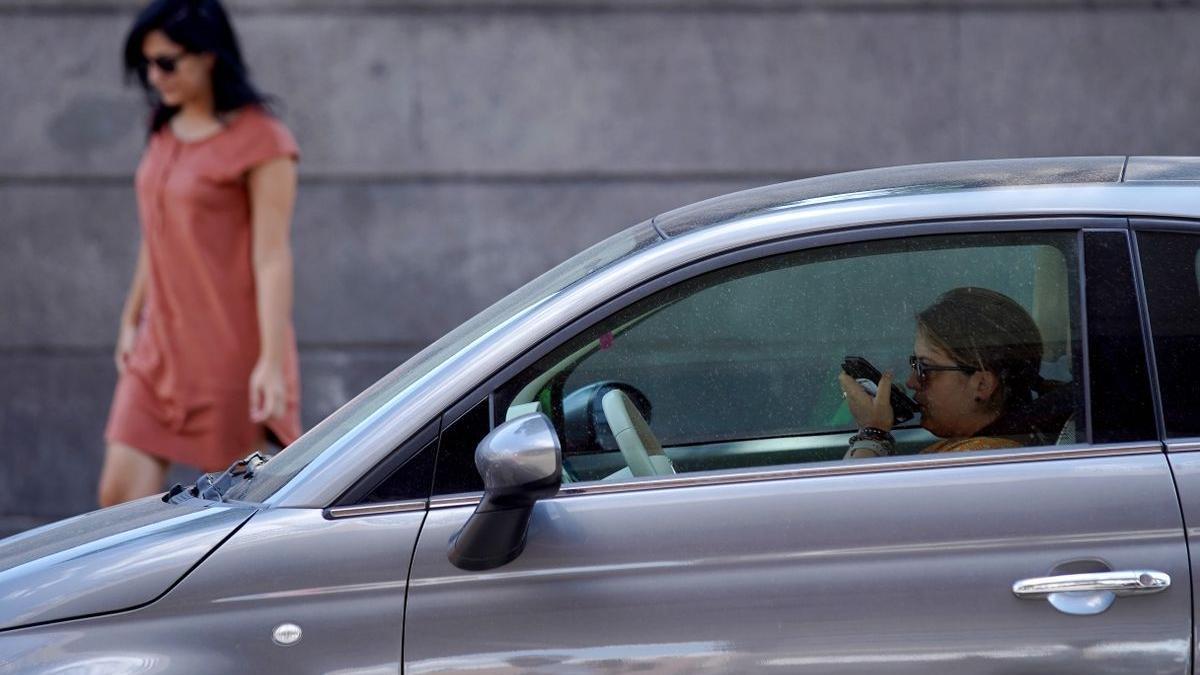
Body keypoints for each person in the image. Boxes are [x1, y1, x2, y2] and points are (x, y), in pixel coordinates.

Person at [99, 0, 302, 506]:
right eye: (147, 64)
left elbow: (272, 257)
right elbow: (158, 232)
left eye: (167, 62)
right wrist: (131, 315)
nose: (154, 75)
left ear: (208, 55)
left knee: (230, 517)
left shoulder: (263, 141)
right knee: (118, 498)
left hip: (227, 352)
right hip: (159, 347)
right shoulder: (163, 129)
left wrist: (272, 363)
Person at [839, 287, 1071, 459]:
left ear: (981, 384)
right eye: (914, 365)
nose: (911, 383)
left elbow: (848, 512)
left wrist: (872, 433)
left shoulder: (978, 460)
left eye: (924, 368)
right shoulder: (1010, 443)